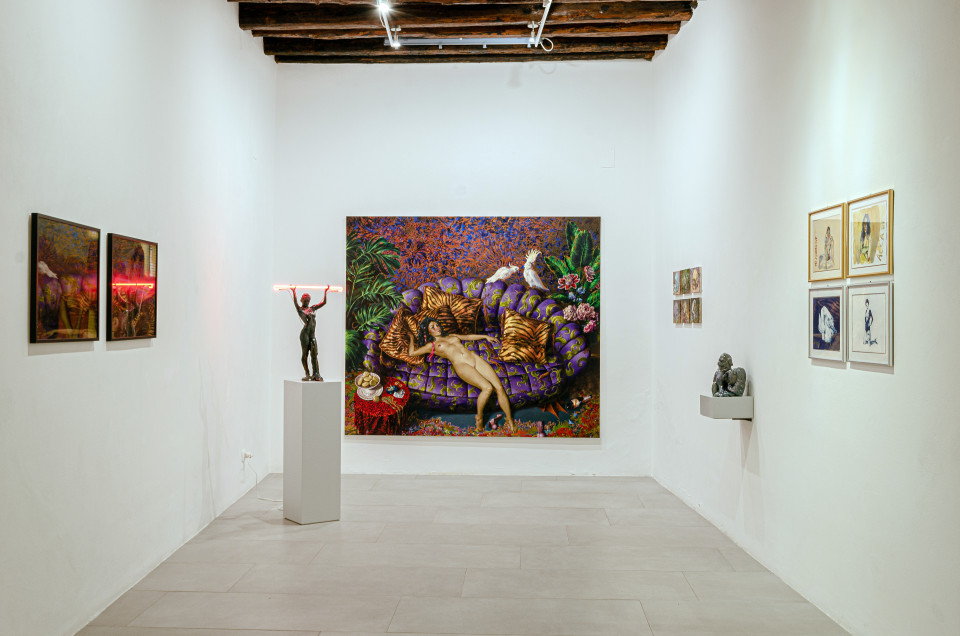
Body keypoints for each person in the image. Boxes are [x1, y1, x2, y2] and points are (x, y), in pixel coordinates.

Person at [408, 317, 515, 432]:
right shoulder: (431, 345)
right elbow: (412, 353)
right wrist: (411, 338)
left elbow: (468, 337)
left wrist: (485, 336)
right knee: (488, 388)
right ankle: (479, 417)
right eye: (432, 327)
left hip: (473, 358)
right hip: (462, 365)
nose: (437, 328)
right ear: (428, 331)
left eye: (437, 325)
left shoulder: (451, 335)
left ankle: (509, 420)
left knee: (499, 387)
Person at [289, 285, 329, 381]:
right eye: (305, 300)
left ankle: (316, 374)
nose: (306, 302)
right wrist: (294, 292)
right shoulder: (300, 310)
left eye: (308, 300)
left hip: (312, 334)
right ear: (301, 300)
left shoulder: (312, 308)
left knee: (314, 354)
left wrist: (326, 292)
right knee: (305, 354)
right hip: (305, 335)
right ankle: (307, 373)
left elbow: (324, 303)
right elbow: (295, 303)